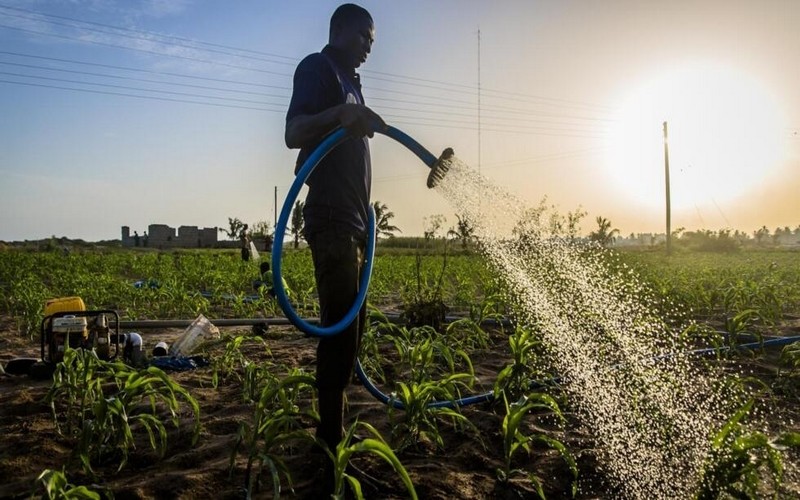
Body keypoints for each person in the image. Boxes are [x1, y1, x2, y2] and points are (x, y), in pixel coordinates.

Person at [285, 3, 386, 458]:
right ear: (340, 28)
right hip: (331, 219)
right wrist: (339, 114)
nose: (369, 47)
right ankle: (328, 440)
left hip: (355, 222)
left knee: (354, 326)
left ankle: (333, 427)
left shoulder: (352, 84)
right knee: (340, 330)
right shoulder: (318, 68)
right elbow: (294, 132)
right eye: (365, 36)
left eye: (372, 41)